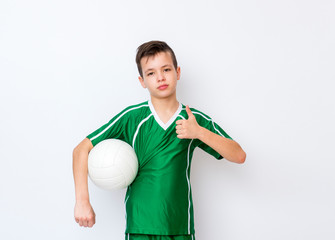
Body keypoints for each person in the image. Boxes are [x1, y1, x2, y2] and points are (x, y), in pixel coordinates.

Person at [73, 40, 246, 240]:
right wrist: (82, 201)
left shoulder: (193, 120)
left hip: (180, 227)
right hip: (140, 226)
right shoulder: (132, 117)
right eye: (151, 73)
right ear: (142, 81)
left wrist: (199, 133)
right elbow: (80, 150)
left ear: (178, 72)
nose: (160, 77)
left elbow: (239, 155)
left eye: (166, 69)